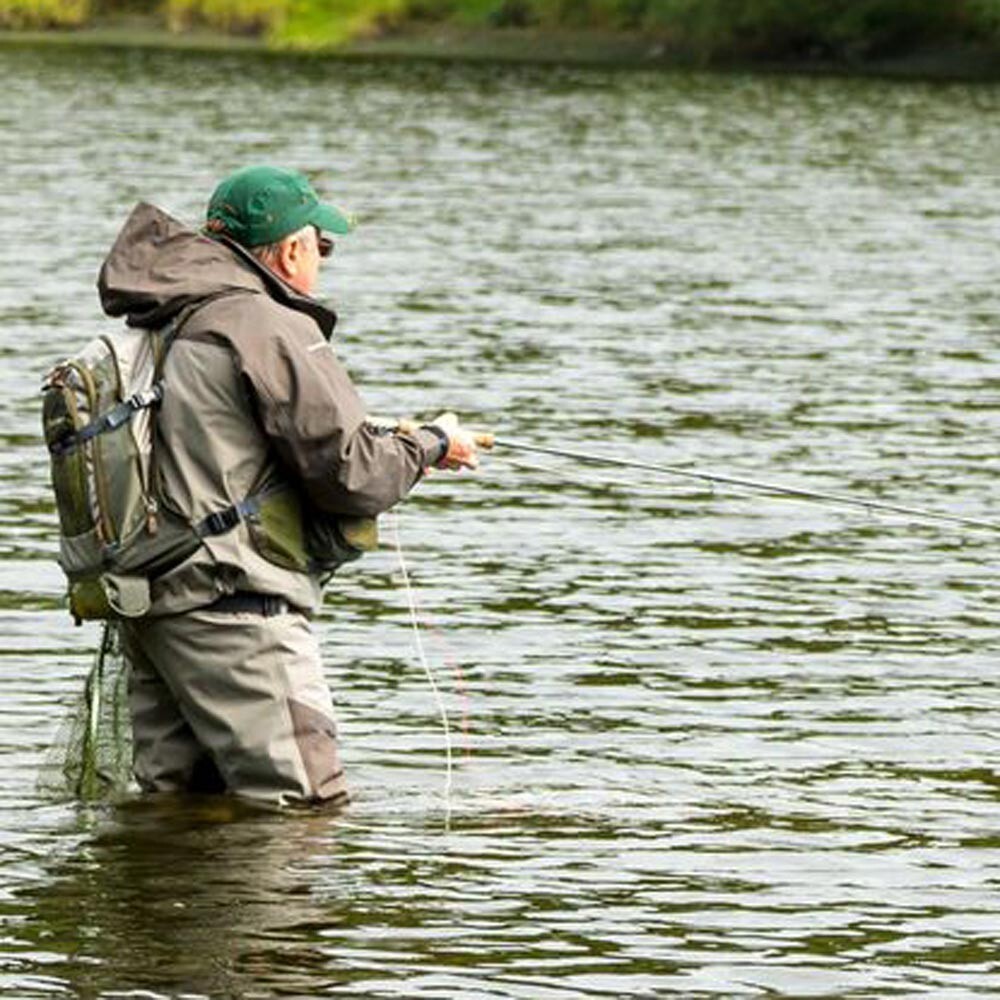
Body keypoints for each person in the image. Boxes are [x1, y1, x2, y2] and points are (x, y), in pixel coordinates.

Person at [98, 165, 480, 807]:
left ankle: (158, 909)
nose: (322, 261)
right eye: (320, 246)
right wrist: (433, 444)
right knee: (303, 808)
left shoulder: (167, 316)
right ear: (290, 249)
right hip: (236, 612)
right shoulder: (267, 324)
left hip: (156, 609)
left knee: (180, 808)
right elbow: (356, 476)